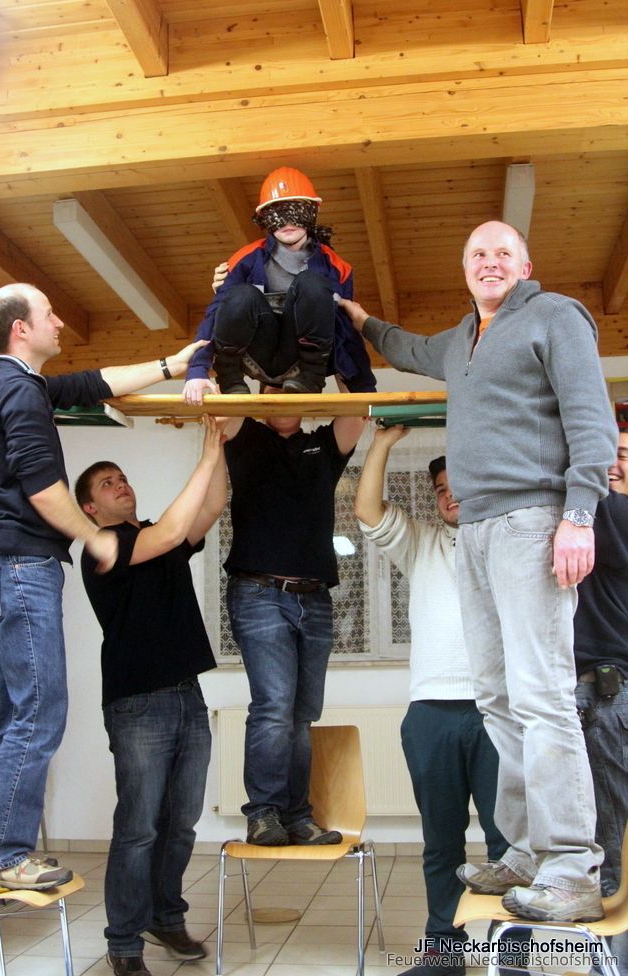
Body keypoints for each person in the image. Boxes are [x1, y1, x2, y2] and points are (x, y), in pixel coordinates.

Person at [339, 220, 618, 922]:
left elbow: (591, 418)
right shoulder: (462, 338)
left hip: (532, 520)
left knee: (542, 697)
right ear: (465, 268)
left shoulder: (554, 316)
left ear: (524, 263)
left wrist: (578, 515)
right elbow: (406, 347)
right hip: (477, 533)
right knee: (496, 698)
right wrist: (361, 321)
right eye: (477, 254)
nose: (489, 263)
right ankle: (523, 851)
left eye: (501, 253)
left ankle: (571, 869)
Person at [0, 281, 205, 893]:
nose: (60, 322)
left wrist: (171, 365)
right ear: (20, 328)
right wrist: (93, 537)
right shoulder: (19, 392)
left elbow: (95, 382)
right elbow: (44, 491)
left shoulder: (6, 381)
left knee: (3, 714)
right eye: (49, 313)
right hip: (20, 568)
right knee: (38, 712)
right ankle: (2, 853)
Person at [75, 417, 227, 976]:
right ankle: (124, 943)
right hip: (137, 703)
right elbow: (168, 532)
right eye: (107, 483)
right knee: (139, 828)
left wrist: (220, 447)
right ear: (89, 508)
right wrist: (204, 455)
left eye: (122, 477)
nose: (121, 484)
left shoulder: (154, 538)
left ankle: (165, 916)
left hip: (188, 696)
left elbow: (212, 506)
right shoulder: (101, 546)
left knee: (180, 823)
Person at [356, 425, 507, 976]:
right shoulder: (420, 542)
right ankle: (445, 954)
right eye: (441, 488)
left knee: (507, 848)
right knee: (441, 845)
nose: (449, 495)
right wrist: (382, 443)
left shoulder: (510, 539)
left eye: (458, 484)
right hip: (430, 715)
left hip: (499, 714)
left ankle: (511, 956)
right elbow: (367, 510)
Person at [221, 386, 364, 845]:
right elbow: (224, 406)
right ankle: (263, 813)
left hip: (315, 598)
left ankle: (298, 816)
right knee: (274, 705)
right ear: (259, 401)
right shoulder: (246, 436)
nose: (282, 398)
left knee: (301, 714)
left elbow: (356, 411)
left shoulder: (322, 445)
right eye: (272, 392)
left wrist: (339, 353)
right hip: (259, 592)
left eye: (293, 391)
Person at [182, 166, 376, 403]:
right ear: (264, 219)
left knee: (313, 283)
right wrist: (197, 370)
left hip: (304, 363)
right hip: (254, 355)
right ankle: (230, 376)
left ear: (312, 213)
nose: (287, 222)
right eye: (277, 214)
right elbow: (216, 313)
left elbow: (346, 330)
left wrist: (364, 388)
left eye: (296, 212)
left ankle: (311, 377)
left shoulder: (336, 267)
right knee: (240, 294)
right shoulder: (245, 259)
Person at [575, 426, 628, 973]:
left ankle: (608, 967)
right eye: (605, 455)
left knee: (609, 845)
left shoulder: (616, 516)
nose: (611, 464)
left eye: (623, 455)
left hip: (612, 701)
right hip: (592, 697)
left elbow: (587, 496)